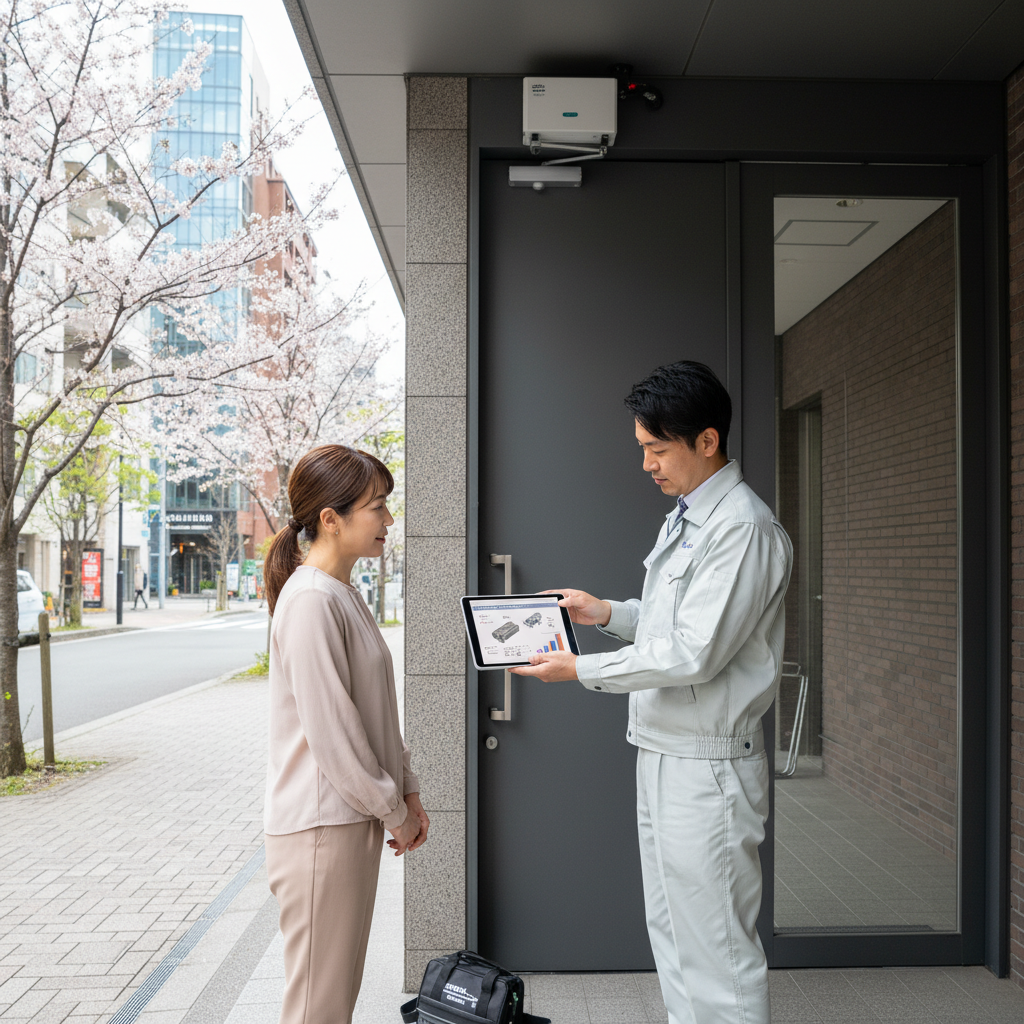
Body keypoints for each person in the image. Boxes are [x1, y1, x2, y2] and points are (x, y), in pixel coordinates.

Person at [513, 361, 792, 1024]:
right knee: (675, 938)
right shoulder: (691, 518)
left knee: (717, 953)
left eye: (656, 449)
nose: (646, 464)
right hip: (665, 752)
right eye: (643, 447)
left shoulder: (742, 530)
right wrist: (603, 611)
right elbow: (674, 626)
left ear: (707, 441)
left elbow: (693, 654)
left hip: (708, 765)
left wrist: (578, 669)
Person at [263, 444, 429, 1024]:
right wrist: (394, 809)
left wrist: (405, 792)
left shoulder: (340, 593)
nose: (388, 521)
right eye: (377, 507)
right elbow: (334, 733)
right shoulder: (310, 600)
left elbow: (376, 713)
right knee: (318, 1008)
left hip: (342, 822)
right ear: (330, 520)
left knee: (331, 1001)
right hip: (320, 829)